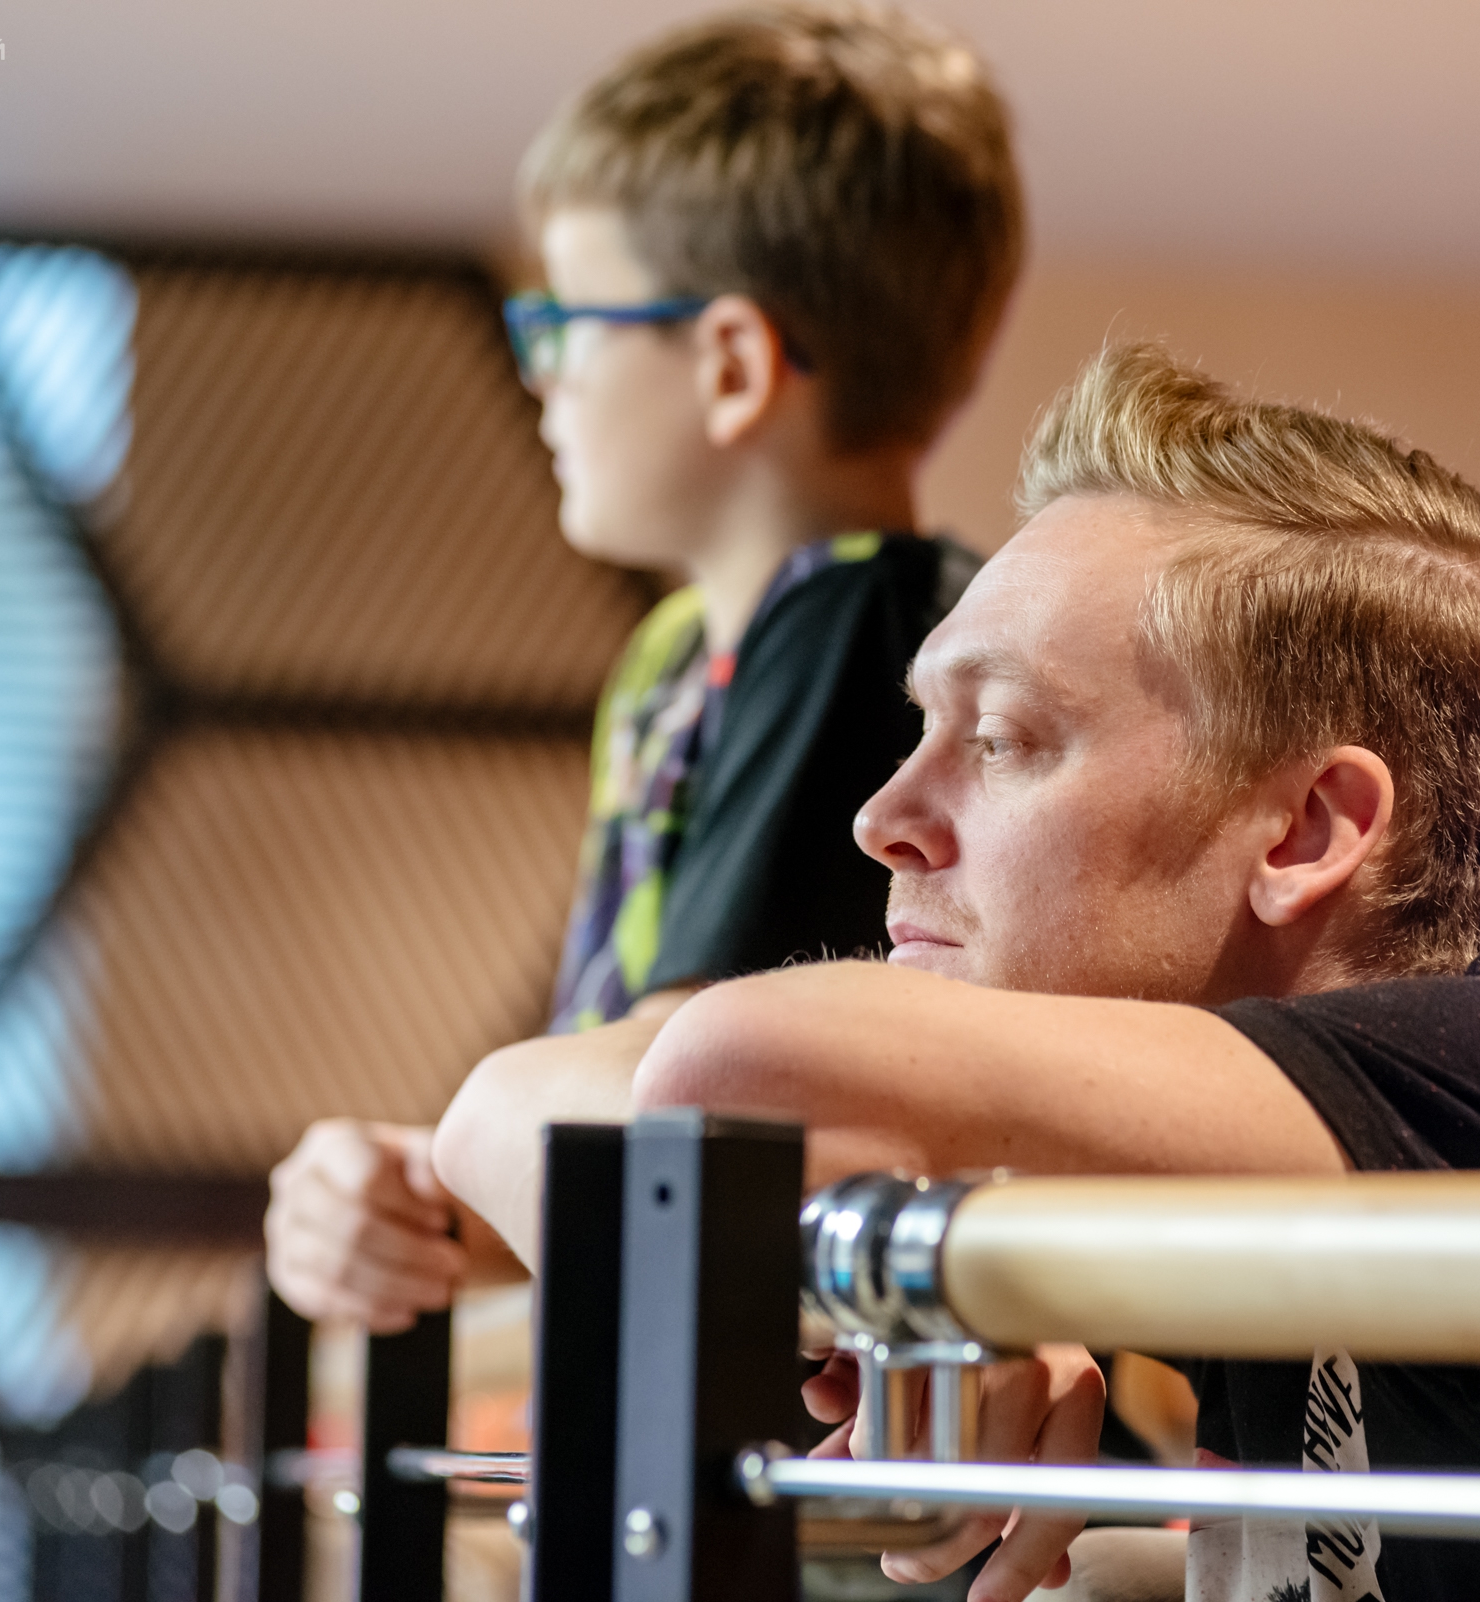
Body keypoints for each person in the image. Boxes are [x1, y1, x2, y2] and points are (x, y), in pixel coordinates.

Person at [430, 343, 1480, 1602]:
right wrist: (957, 1287)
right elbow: (507, 1110)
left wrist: (935, 1277)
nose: (885, 816)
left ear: (1306, 829)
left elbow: (718, 1067)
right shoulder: (1264, 1186)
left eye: (1000, 738)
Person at [264, 0, 1021, 1331]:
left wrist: (452, 1159)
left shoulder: (855, 620)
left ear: (730, 363)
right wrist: (405, 1194)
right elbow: (605, 1154)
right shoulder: (675, 655)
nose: (544, 376)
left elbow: (672, 1107)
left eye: (566, 319)